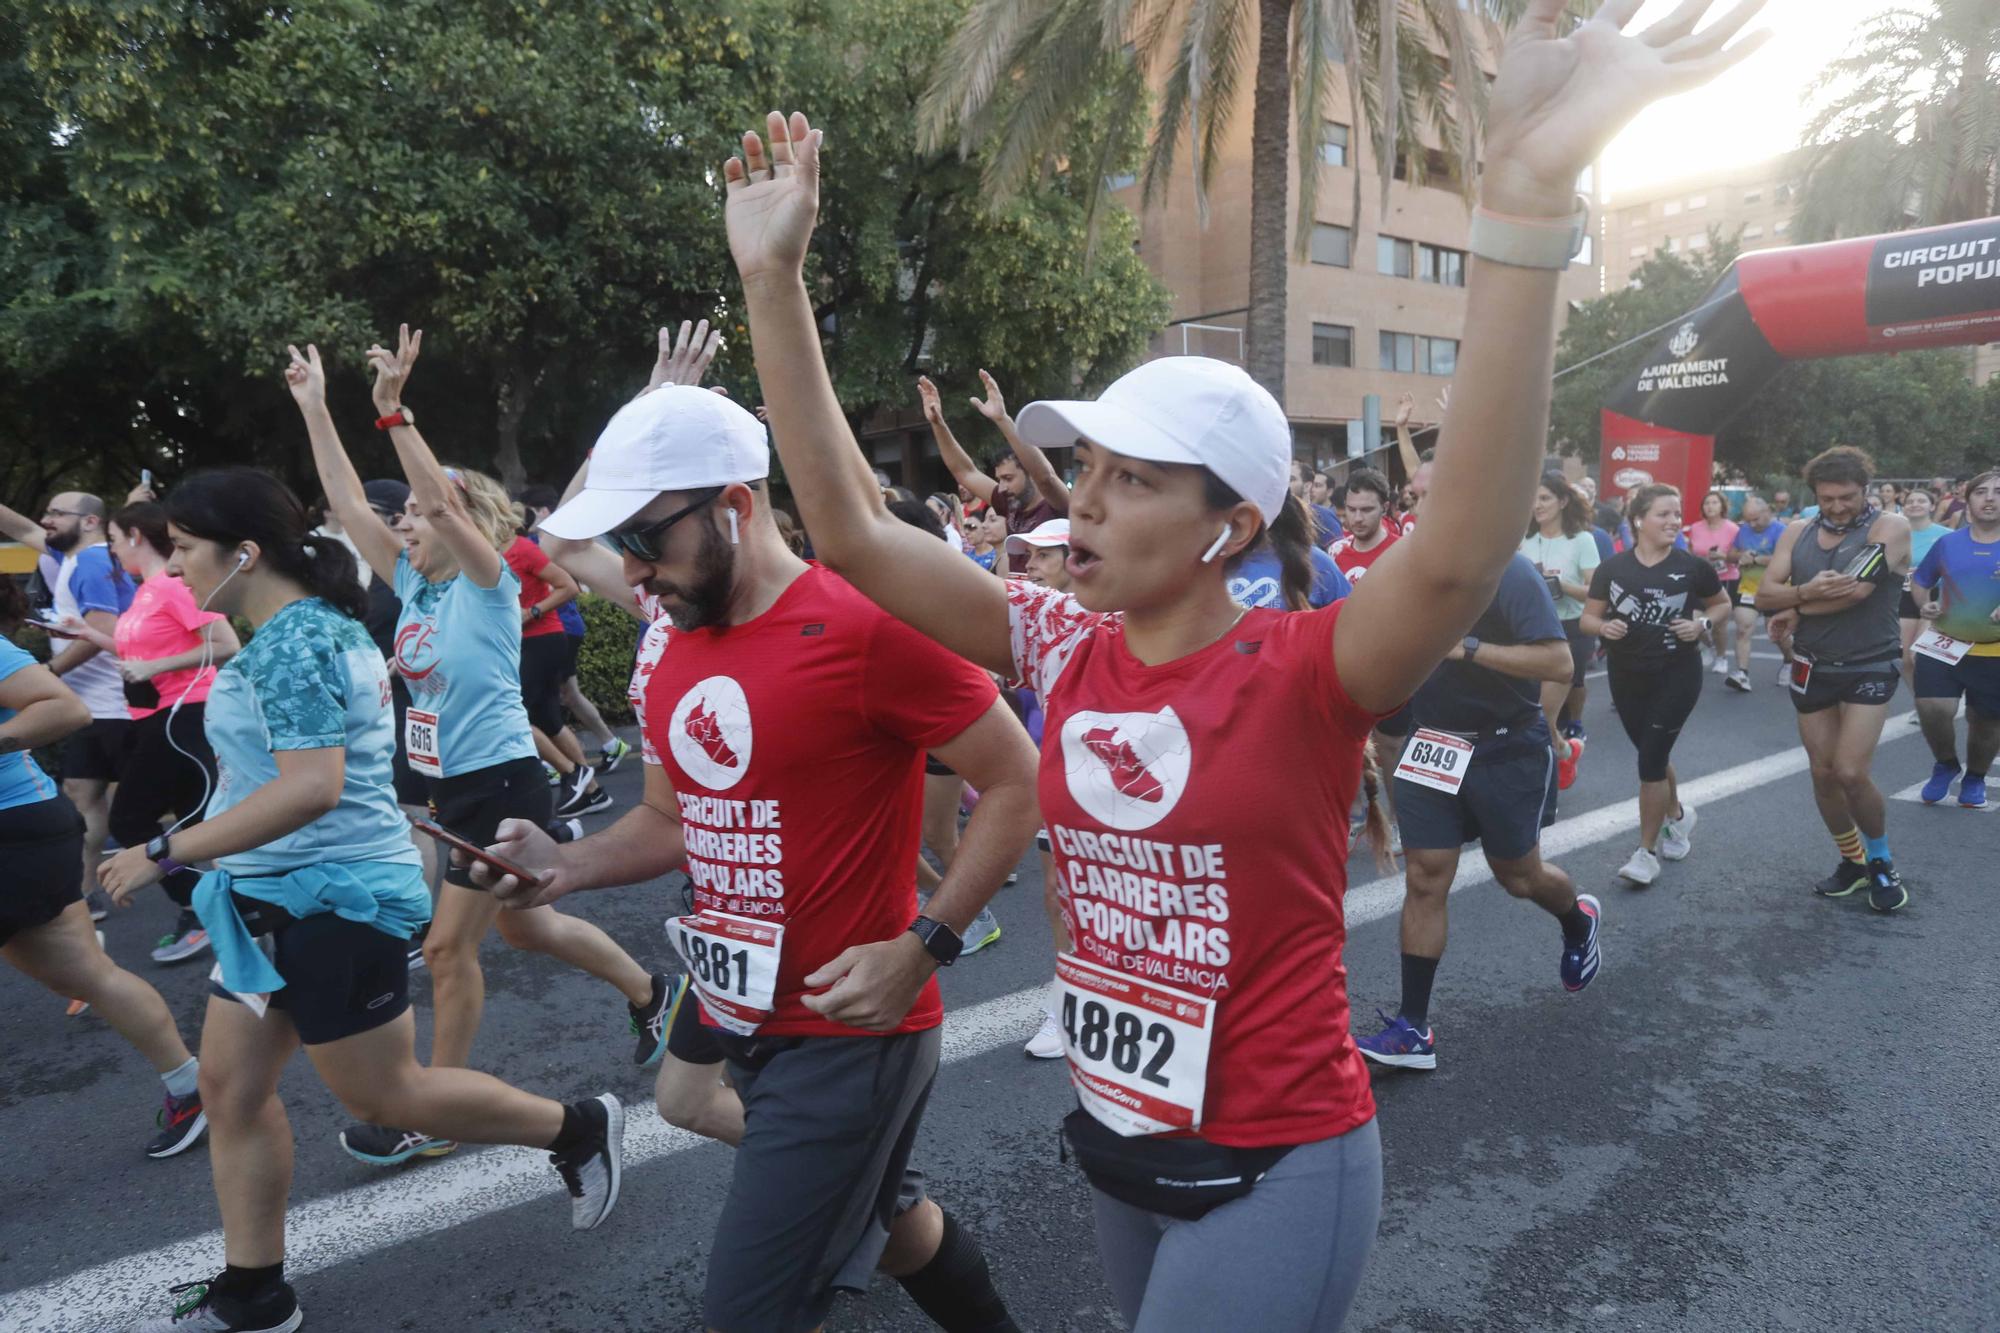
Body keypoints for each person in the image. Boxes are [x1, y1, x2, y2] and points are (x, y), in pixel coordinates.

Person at [712, 7, 1759, 1319]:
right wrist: (772, 282)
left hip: (1281, 1162)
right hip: (1119, 1141)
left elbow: (1456, 546)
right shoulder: (1057, 641)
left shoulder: (1306, 670)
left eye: (1131, 478)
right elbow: (856, 534)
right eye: (1083, 470)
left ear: (1231, 527)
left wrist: (1526, 199)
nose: (1082, 502)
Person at [489, 379, 1036, 1333]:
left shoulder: (867, 624)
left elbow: (1022, 779)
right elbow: (669, 819)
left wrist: (922, 945)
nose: (632, 570)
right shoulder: (680, 641)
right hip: (739, 999)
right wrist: (563, 863)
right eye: (618, 545)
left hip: (850, 1032)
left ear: (734, 508)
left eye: (644, 540)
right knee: (889, 1214)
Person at [91, 469, 623, 1333]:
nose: (170, 568)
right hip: (265, 902)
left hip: (330, 905)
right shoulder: (282, 632)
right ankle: (255, 1291)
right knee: (231, 1090)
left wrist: (166, 849)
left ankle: (576, 1127)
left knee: (389, 1097)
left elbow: (311, 788)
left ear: (244, 553)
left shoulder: (300, 640)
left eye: (183, 548)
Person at [287, 332, 669, 1169]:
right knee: (530, 931)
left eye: (419, 515)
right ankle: (653, 990)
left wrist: (394, 412)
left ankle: (438, 1105)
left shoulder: (490, 584)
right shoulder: (415, 583)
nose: (406, 524)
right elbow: (350, 504)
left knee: (447, 948)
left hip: (501, 783)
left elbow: (449, 507)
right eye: (407, 519)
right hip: (448, 787)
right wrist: (316, 407)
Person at [1356, 553, 1600, 1071]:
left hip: (1505, 747)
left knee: (1518, 876)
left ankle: (1577, 920)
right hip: (1432, 744)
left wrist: (1468, 649)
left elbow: (1559, 663)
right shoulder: (1405, 569)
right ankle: (1413, 1027)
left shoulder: (1508, 572)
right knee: (1424, 877)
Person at [1, 618, 209, 1158]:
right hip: (28, 831)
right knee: (80, 973)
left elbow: (65, 707)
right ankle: (193, 1087)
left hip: (14, 831)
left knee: (85, 972)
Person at [56, 501, 241, 964]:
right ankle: (232, 916)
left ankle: (204, 912)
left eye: (116, 541)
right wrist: (88, 635)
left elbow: (227, 645)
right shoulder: (145, 592)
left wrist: (155, 666)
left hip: (187, 715)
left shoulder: (174, 588)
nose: (114, 552)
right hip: (157, 719)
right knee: (199, 823)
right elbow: (133, 647)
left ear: (136, 536)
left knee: (131, 820)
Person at [1756, 446, 1913, 912]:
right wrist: (1797, 595)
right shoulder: (1797, 531)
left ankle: (1882, 861)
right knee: (1823, 774)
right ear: (1816, 495)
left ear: (1865, 490)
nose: (1838, 506)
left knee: (1850, 770)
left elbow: (1855, 590)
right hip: (1812, 663)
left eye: (1847, 496)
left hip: (1870, 660)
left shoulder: (1890, 527)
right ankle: (1853, 861)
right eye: (1828, 498)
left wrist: (1795, 605)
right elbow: (1763, 592)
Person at [1582, 484, 1731, 887]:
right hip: (1626, 675)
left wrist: (1701, 624)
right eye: (1664, 514)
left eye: (1677, 514)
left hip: (1677, 674)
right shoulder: (1613, 569)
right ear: (1638, 520)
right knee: (1654, 753)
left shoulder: (1692, 566)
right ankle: (1678, 816)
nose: (1674, 521)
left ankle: (1645, 853)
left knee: (1649, 762)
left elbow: (1722, 605)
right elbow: (1587, 620)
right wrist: (1604, 626)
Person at [0, 490, 136, 916]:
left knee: (140, 815)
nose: (46, 520)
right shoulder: (71, 557)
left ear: (91, 522)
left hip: (119, 704)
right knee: (81, 793)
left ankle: (202, 898)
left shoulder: (94, 561)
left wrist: (48, 675)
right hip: (92, 704)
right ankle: (84, 890)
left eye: (56, 513)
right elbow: (21, 528)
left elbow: (102, 628)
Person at [518, 484, 632, 773]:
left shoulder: (533, 547)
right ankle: (605, 746)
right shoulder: (532, 544)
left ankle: (562, 765)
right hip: (563, 629)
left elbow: (570, 581)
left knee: (535, 703)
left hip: (556, 630)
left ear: (543, 512)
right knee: (565, 694)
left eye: (528, 511)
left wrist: (530, 612)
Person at [1908, 469, 2000, 809]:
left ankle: (1975, 777)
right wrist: (1925, 604)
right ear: (1969, 500)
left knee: (1986, 722)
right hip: (1944, 642)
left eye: (1998, 492)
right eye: (1981, 492)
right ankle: (1945, 764)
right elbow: (1920, 581)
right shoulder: (1948, 542)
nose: (1990, 498)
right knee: (1932, 706)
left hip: (1994, 651)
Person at [921, 371, 1067, 572]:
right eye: (999, 479)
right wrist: (938, 424)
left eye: (1008, 478)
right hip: (1022, 600)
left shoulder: (1057, 506)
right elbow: (964, 471)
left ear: (1030, 472)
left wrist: (1002, 419)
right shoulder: (1009, 503)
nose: (1002, 487)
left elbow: (1046, 477)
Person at [1521, 472, 1599, 787]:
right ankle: (1566, 750)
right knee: (1530, 714)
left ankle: (1540, 778)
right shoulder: (1523, 541)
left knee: (1541, 716)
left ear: (1563, 501)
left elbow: (1595, 592)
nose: (1536, 506)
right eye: (1533, 499)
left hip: (1570, 629)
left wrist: (1559, 584)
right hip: (1527, 631)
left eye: (1544, 498)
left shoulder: (1582, 540)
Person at [1727, 494, 1786, 692]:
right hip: (1748, 588)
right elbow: (1731, 554)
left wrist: (1758, 559)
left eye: (1756, 519)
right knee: (1743, 628)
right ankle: (1742, 673)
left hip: (1775, 588)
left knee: (1777, 632)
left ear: (1767, 512)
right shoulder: (1743, 531)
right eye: (1748, 520)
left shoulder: (1782, 531)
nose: (1752, 524)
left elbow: (1788, 559)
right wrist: (1740, 556)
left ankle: (1789, 661)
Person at [1897, 485, 1950, 695]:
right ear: (1904, 507)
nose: (1915, 504)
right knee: (1903, 659)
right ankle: (1920, 703)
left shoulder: (1946, 536)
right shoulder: (1897, 535)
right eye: (1910, 501)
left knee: (1919, 655)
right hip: (1904, 597)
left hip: (1934, 597)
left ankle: (1933, 698)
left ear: (1932, 506)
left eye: (1921, 501)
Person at [1685, 490, 1741, 675]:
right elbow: (1690, 552)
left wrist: (1723, 556)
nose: (1710, 506)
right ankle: (1708, 646)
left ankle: (1722, 657)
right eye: (1707, 503)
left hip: (1725, 579)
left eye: (1714, 503)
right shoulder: (1696, 527)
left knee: (1719, 624)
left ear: (1722, 506)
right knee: (1693, 617)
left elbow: (1738, 556)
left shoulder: (1732, 528)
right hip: (1700, 580)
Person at [1329, 468, 1401, 585]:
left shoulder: (1400, 552)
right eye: (1351, 509)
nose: (1358, 518)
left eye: (1366, 510)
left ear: (1385, 508)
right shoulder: (1335, 552)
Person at [1291, 458, 1343, 546]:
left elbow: (1337, 553)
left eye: (1291, 479)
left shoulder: (1324, 517)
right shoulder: (1274, 515)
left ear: (1307, 486)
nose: (1285, 484)